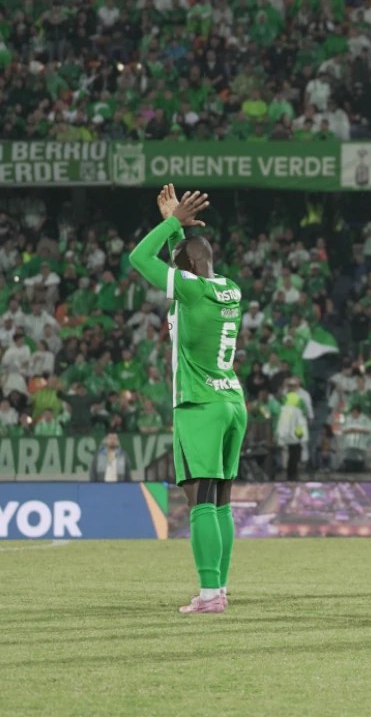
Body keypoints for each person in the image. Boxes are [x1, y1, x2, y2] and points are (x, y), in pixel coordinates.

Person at [128, 184, 244, 615]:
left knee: (199, 501)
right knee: (221, 500)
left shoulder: (191, 291)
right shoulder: (229, 289)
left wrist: (171, 225)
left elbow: (138, 259)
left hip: (199, 406)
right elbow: (192, 258)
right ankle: (221, 588)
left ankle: (209, 595)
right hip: (232, 400)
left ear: (187, 269)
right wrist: (175, 229)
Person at [276, 391, 308, 482]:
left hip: (286, 438)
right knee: (294, 457)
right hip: (295, 439)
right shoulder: (297, 411)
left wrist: (281, 438)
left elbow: (281, 425)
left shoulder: (283, 410)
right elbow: (299, 425)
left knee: (289, 457)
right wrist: (301, 436)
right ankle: (292, 475)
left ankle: (290, 474)